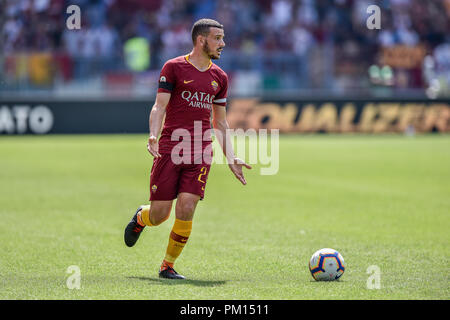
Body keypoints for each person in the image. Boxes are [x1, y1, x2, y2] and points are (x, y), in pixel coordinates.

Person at [124, 18, 251, 279]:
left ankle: (167, 265)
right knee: (159, 215)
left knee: (187, 207)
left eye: (223, 38)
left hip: (201, 149)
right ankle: (141, 218)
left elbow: (221, 121)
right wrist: (152, 135)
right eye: (218, 38)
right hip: (170, 148)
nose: (223, 43)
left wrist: (231, 156)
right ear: (201, 40)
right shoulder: (173, 68)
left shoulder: (220, 77)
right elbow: (159, 106)